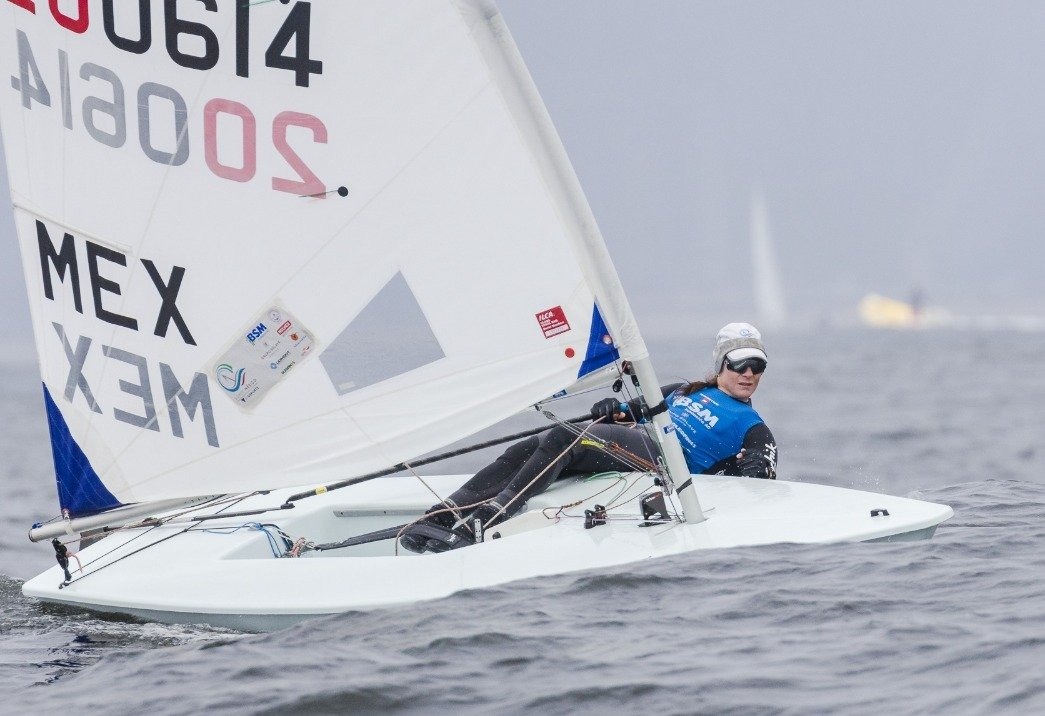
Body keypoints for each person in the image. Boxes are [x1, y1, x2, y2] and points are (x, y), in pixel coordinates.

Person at [400, 322, 778, 553]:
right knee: (527, 447)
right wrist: (609, 406)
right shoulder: (682, 389)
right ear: (721, 364)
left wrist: (752, 465)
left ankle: (489, 516)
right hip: (633, 441)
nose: (748, 373)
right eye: (740, 363)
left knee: (567, 436)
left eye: (757, 366)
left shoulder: (753, 426)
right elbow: (628, 410)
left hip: (661, 460)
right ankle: (442, 515)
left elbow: (761, 477)